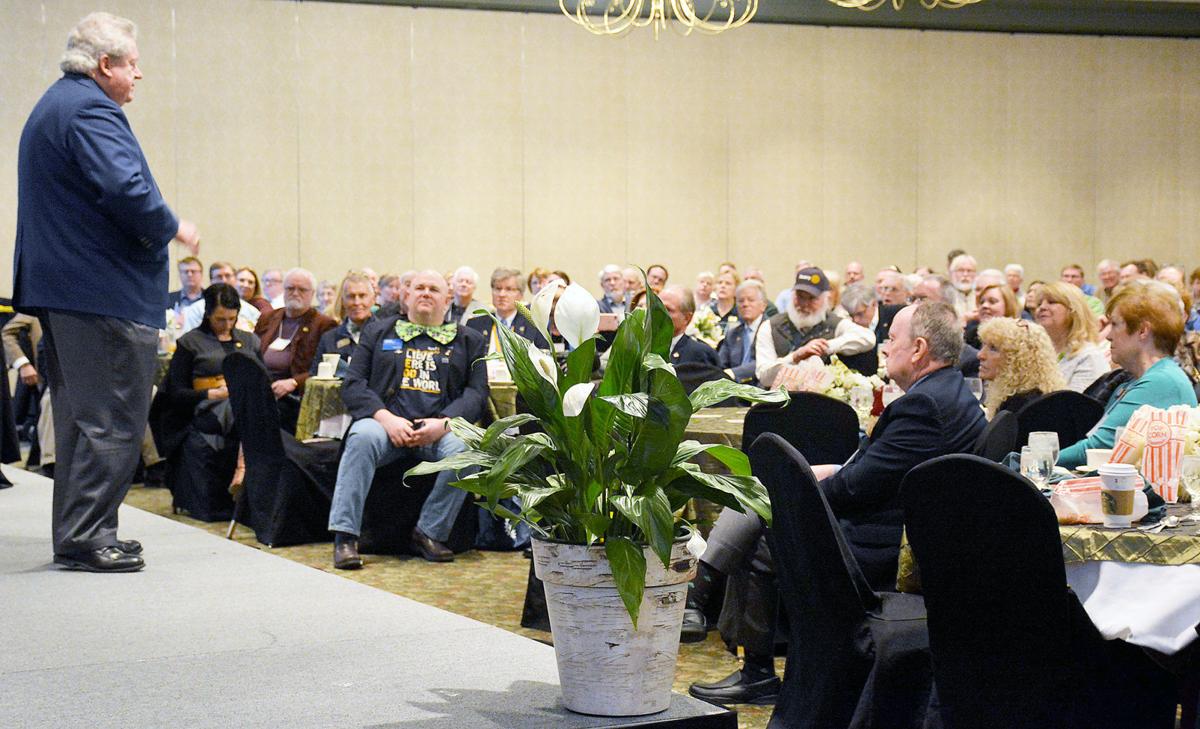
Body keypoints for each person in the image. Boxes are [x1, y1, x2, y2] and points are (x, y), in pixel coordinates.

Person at [688, 302, 985, 704]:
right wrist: (825, 472)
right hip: (905, 526)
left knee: (766, 527)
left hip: (883, 545)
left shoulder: (923, 406)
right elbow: (879, 470)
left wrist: (799, 499)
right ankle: (702, 598)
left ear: (918, 349)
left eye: (891, 338)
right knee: (761, 492)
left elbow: (856, 490)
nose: (884, 346)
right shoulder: (949, 392)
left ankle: (742, 652)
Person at [13, 11, 199, 572]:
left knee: (79, 417)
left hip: (68, 289)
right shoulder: (91, 108)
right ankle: (89, 535)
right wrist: (172, 225)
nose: (139, 75)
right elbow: (126, 187)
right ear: (104, 65)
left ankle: (80, 531)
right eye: (132, 64)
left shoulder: (57, 103)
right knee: (112, 418)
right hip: (101, 290)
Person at [328, 270, 488, 568]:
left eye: (434, 289)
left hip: (439, 430)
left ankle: (429, 531)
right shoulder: (377, 332)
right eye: (419, 288)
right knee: (362, 437)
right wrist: (385, 418)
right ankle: (345, 536)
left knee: (466, 449)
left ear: (448, 299)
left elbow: (477, 393)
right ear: (406, 296)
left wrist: (444, 422)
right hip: (385, 425)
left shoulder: (470, 340)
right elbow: (353, 384)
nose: (425, 293)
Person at [1058, 281, 1198, 469]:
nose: (1108, 336)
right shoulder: (1137, 379)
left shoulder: (1161, 382)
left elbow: (1097, 449)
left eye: (1115, 325)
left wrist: (1034, 460)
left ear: (1142, 330)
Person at [155, 284, 259, 520]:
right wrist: (210, 394)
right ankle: (242, 468)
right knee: (240, 410)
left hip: (240, 404)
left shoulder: (250, 341)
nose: (227, 325)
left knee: (257, 409)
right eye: (220, 319)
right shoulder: (190, 343)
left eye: (232, 319)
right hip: (204, 406)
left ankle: (246, 472)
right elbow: (176, 393)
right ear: (208, 314)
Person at [753, 267, 875, 384]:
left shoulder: (834, 322)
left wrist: (824, 347)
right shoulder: (770, 326)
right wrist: (795, 357)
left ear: (825, 299)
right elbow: (764, 376)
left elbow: (867, 337)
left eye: (812, 298)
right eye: (800, 296)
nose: (804, 304)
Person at [253, 268, 336, 430]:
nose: (295, 293)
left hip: (293, 394)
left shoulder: (324, 325)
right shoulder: (267, 318)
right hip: (261, 387)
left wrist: (294, 382)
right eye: (290, 288)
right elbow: (252, 352)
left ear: (312, 294)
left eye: (302, 290)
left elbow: (326, 367)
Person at [977, 318, 1065, 418]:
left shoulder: (1021, 407)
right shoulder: (1012, 397)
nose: (980, 355)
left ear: (1018, 359)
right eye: (983, 345)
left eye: (994, 349)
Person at [1035, 282, 1109, 392]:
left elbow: (1074, 402)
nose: (1042, 307)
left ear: (1073, 310)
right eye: (1039, 304)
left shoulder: (1088, 356)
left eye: (1052, 302)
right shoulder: (1040, 354)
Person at [466, 267, 549, 354]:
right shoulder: (475, 325)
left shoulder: (534, 326)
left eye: (509, 289)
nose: (502, 294)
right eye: (498, 289)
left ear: (520, 295)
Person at [310, 271, 376, 378]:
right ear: (343, 301)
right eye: (351, 296)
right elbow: (315, 377)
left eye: (362, 296)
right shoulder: (329, 339)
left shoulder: (386, 335)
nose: (357, 302)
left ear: (373, 300)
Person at [181, 261, 261, 332]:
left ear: (235, 279)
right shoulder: (196, 310)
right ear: (211, 281)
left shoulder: (252, 312)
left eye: (228, 276)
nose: (224, 280)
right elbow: (191, 339)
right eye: (219, 277)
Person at [717, 281, 768, 385]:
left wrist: (733, 373)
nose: (745, 304)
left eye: (751, 300)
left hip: (762, 387)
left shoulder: (772, 329)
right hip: (733, 388)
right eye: (741, 301)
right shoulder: (732, 334)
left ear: (763, 305)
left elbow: (765, 362)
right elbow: (720, 364)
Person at [660, 287, 720, 367]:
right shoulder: (645, 346)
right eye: (657, 308)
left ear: (687, 318)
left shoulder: (700, 355)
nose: (659, 313)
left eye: (668, 309)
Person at [963, 282, 1020, 349]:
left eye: (992, 301)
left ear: (1008, 306)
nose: (984, 305)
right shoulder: (971, 335)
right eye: (981, 302)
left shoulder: (1017, 339)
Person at [709, 271, 741, 335]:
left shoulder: (741, 313)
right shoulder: (707, 311)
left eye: (728, 283)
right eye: (719, 283)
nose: (723, 286)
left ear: (736, 289)